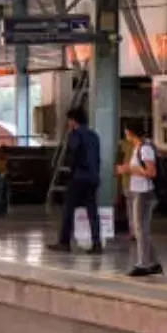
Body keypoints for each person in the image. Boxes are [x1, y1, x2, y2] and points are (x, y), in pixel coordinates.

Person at [48, 107, 103, 253]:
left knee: (68, 210)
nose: (68, 123)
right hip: (93, 177)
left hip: (79, 177)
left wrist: (70, 173)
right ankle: (97, 243)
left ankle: (64, 243)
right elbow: (97, 159)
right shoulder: (94, 135)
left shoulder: (75, 134)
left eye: (69, 120)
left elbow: (73, 156)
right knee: (92, 211)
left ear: (73, 120)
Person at [117, 122, 161, 276]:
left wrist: (131, 169)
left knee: (140, 229)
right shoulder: (137, 147)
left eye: (126, 132)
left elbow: (151, 172)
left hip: (144, 193)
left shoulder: (145, 148)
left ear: (130, 132)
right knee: (141, 229)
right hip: (137, 191)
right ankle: (153, 262)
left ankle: (143, 264)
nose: (125, 135)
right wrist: (126, 169)